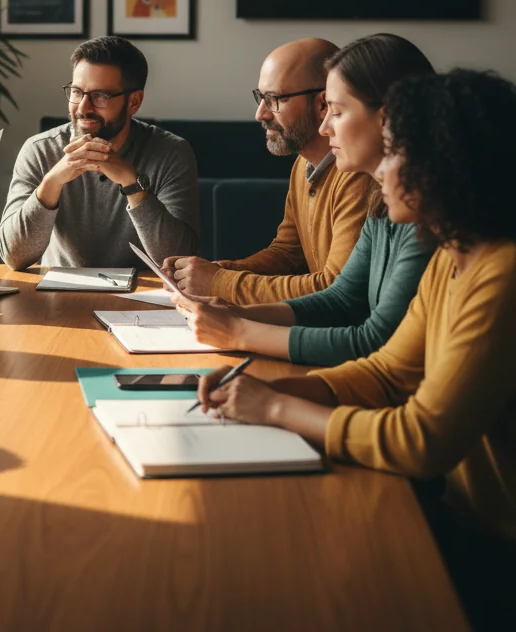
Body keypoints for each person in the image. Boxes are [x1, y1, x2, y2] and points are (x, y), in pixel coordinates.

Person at [196, 69, 516, 629]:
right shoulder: (452, 253)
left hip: (496, 548)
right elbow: (390, 371)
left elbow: (423, 441)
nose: (381, 173)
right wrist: (275, 388)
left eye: (392, 154)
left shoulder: (502, 274)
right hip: (463, 517)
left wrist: (274, 409)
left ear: (441, 166)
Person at [176, 34, 434, 365]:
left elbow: (375, 341)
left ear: (387, 121)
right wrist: (231, 305)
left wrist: (236, 324)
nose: (326, 127)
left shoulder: (424, 216)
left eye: (336, 111)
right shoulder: (382, 199)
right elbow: (341, 297)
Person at [163, 37, 370, 303]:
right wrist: (217, 270)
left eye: (273, 99)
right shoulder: (303, 164)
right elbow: (287, 254)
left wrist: (217, 281)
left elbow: (334, 286)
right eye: (260, 98)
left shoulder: (358, 174)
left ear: (322, 103)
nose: (260, 114)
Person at [0, 36, 199, 270]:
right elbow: (14, 257)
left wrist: (132, 184)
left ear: (134, 102)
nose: (83, 107)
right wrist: (53, 181)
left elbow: (179, 259)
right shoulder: (40, 150)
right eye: (76, 92)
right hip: (56, 296)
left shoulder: (171, 153)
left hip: (143, 297)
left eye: (100, 96)